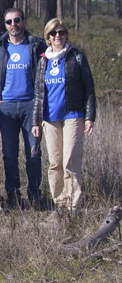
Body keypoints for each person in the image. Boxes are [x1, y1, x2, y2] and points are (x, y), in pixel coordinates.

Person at [0, 8, 47, 208]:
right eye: (9, 22)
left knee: (33, 153)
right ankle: (13, 193)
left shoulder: (36, 45)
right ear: (5, 25)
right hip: (6, 108)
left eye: (17, 20)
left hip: (31, 106)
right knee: (9, 154)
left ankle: (35, 195)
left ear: (24, 21)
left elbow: (45, 75)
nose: (13, 25)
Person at [32, 18, 96, 213]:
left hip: (73, 115)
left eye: (61, 32)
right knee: (55, 162)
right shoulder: (43, 60)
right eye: (53, 33)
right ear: (48, 37)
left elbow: (89, 89)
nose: (57, 36)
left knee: (70, 160)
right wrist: (35, 120)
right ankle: (60, 204)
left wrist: (90, 116)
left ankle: (73, 206)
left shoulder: (76, 57)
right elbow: (38, 93)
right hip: (49, 118)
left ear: (66, 35)